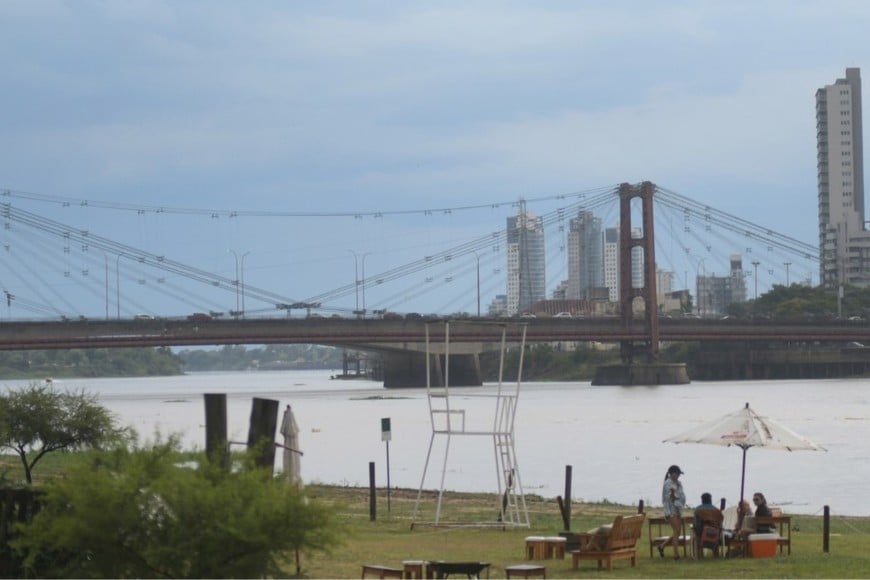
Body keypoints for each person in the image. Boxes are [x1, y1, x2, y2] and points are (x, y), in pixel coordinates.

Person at [658, 464, 686, 560]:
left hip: (678, 510)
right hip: (670, 510)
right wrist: (679, 504)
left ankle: (662, 546)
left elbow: (681, 496)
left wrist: (681, 506)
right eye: (677, 474)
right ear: (672, 474)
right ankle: (676, 555)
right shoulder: (668, 484)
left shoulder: (678, 483)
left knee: (677, 532)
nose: (678, 476)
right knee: (676, 531)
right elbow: (671, 497)